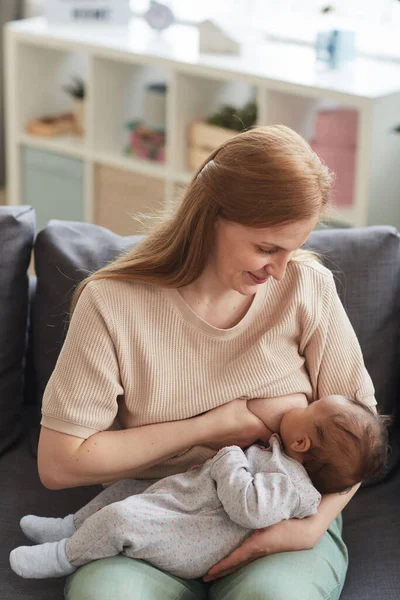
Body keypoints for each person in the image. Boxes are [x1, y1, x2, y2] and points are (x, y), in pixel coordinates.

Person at [36, 125, 378, 600]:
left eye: (291, 249)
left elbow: (361, 432)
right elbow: (59, 463)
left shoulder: (306, 287)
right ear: (210, 218)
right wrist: (208, 427)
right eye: (266, 248)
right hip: (154, 516)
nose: (278, 270)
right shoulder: (112, 304)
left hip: (278, 523)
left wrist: (309, 529)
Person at [10, 395, 388, 580]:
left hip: (190, 538)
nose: (301, 403)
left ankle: (64, 556)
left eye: (310, 406)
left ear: (303, 443)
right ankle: (71, 525)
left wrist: (229, 458)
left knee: (122, 518)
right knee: (125, 490)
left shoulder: (293, 488)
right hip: (185, 499)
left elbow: (249, 508)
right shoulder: (283, 453)